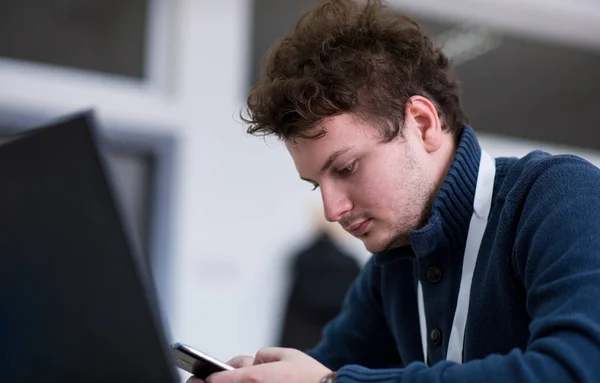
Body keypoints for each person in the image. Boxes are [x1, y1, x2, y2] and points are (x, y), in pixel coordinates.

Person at [190, 0, 600, 382]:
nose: (332, 210)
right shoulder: (393, 264)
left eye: (347, 168)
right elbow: (323, 366)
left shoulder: (559, 195)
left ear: (422, 124)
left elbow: (576, 369)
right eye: (318, 184)